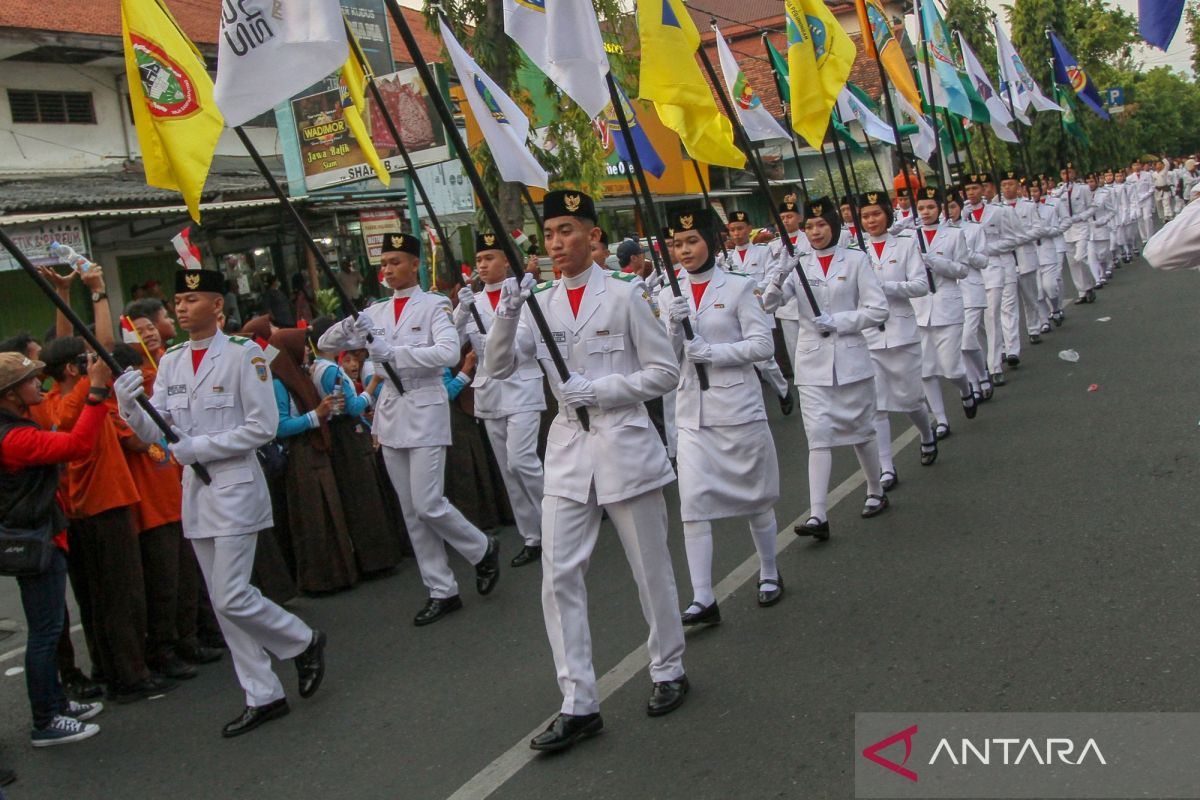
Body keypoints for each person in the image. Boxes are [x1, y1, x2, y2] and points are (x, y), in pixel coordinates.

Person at [484, 190, 688, 752]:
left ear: (594, 236)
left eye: (567, 231)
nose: (556, 244)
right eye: (548, 234)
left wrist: (598, 389)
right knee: (558, 579)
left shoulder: (624, 297)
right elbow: (498, 364)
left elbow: (664, 372)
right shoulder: (538, 303)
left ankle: (668, 668)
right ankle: (579, 701)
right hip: (570, 452)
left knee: (650, 568)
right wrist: (505, 309)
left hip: (623, 444)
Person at [114, 267, 326, 738]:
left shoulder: (243, 355)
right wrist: (130, 407)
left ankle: (302, 639)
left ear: (217, 307)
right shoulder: (169, 362)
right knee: (223, 601)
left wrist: (200, 448)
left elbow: (262, 426)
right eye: (178, 302)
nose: (182, 308)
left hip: (233, 485)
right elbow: (158, 431)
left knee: (232, 594)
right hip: (196, 491)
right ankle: (261, 692)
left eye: (193, 301)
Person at [318, 233, 500, 626]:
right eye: (384, 264)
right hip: (391, 412)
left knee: (428, 502)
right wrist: (352, 322)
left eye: (396, 262)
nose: (388, 269)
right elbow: (322, 344)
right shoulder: (376, 311)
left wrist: (395, 354)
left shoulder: (433, 305)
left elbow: (448, 354)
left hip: (425, 405)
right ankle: (441, 589)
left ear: (414, 264)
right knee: (411, 511)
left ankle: (481, 548)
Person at [659, 206, 783, 625]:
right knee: (692, 504)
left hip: (736, 408)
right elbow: (666, 360)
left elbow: (761, 345)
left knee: (755, 497)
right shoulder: (668, 292)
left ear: (710, 241)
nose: (685, 250)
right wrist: (674, 330)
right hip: (692, 414)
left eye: (692, 241)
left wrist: (715, 354)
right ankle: (703, 597)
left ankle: (768, 570)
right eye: (677, 244)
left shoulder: (738, 287)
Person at [761, 196, 889, 539]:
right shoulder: (799, 263)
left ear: (834, 225)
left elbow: (878, 311)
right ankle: (818, 514)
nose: (815, 232)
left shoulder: (857, 260)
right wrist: (780, 273)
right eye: (809, 226)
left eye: (821, 225)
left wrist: (841, 321)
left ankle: (875, 489)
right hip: (813, 362)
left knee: (861, 430)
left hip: (850, 359)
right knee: (818, 436)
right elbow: (768, 304)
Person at [0, 351, 108, 747]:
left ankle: (56, 702)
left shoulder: (17, 424)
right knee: (45, 633)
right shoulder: (14, 438)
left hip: (41, 535)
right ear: (11, 394)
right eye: (31, 381)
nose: (40, 385)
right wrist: (95, 391)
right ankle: (45, 719)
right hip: (36, 539)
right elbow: (78, 445)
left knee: (52, 625)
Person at [453, 231, 547, 568]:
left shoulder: (524, 294)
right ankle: (532, 537)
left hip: (521, 383)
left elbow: (531, 344)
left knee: (522, 460)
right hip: (489, 391)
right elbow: (452, 345)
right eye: (479, 260)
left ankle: (556, 523)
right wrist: (460, 313)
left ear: (505, 261)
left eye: (489, 258)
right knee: (508, 469)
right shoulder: (473, 302)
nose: (483, 265)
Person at [308, 318, 404, 575]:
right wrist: (372, 386)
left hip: (342, 432)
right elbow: (351, 408)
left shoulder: (319, 367)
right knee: (364, 498)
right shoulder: (330, 370)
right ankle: (377, 559)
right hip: (348, 435)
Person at [268, 328, 358, 594]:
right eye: (302, 346)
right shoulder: (278, 382)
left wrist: (327, 412)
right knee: (312, 517)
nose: (307, 351)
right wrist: (315, 416)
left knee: (330, 513)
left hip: (316, 449)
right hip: (300, 455)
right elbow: (280, 426)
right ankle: (319, 579)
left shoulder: (301, 375)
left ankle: (340, 574)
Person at [856, 190, 937, 479]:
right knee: (876, 404)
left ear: (887, 215)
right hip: (870, 337)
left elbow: (919, 286)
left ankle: (927, 434)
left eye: (876, 213)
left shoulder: (905, 245)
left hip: (901, 331)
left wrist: (885, 288)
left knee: (911, 398)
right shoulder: (856, 251)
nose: (871, 220)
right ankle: (886, 468)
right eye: (865, 215)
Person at [910, 187, 978, 432]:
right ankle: (941, 419)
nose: (925, 212)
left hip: (947, 306)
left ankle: (966, 388)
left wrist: (936, 263)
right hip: (920, 311)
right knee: (926, 370)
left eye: (930, 207)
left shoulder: (952, 234)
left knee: (951, 367)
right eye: (921, 208)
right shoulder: (910, 237)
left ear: (939, 208)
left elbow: (962, 270)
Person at [718, 210, 793, 414]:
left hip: (758, 307)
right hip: (734, 313)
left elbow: (771, 274)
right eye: (732, 229)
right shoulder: (725, 258)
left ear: (749, 229)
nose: (736, 233)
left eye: (740, 228)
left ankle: (783, 391)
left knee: (765, 362)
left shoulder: (762, 251)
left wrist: (752, 290)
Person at [963, 173, 1020, 386]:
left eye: (976, 188)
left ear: (984, 189)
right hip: (970, 277)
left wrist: (985, 250)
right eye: (968, 189)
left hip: (994, 269)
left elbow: (1012, 240)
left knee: (992, 317)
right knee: (975, 325)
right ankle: (986, 359)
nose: (972, 193)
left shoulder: (997, 212)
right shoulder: (961, 215)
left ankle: (995, 366)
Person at [945, 190, 993, 401]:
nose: (949, 211)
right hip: (950, 294)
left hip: (971, 288)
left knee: (967, 339)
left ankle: (982, 374)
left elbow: (983, 261)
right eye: (945, 207)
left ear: (961, 207)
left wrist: (966, 252)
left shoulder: (974, 229)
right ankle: (974, 383)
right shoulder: (937, 234)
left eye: (953, 206)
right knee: (961, 342)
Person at [998, 170, 1052, 350]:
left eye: (1010, 184)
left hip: (1025, 257)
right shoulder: (997, 209)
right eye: (1004, 185)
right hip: (1006, 261)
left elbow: (1039, 230)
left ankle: (1034, 328)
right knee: (1008, 304)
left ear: (1019, 187)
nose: (1007, 188)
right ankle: (1010, 344)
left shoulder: (1028, 206)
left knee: (1030, 297)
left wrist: (1018, 239)